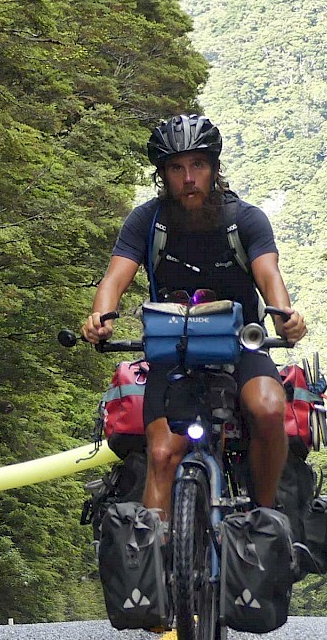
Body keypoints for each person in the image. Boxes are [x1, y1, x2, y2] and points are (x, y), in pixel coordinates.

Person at [82, 114, 307, 523]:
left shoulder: (245, 219)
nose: (188, 178)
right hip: (173, 354)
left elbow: (268, 274)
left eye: (198, 165)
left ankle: (264, 516)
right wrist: (101, 317)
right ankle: (155, 551)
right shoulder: (147, 223)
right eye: (176, 168)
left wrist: (284, 317)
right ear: (163, 175)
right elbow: (114, 278)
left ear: (214, 168)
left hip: (240, 347)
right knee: (162, 454)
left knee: (269, 409)